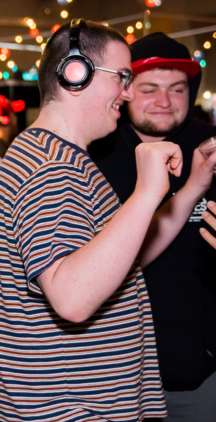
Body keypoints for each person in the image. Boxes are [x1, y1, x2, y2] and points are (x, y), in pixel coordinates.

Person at [0, 19, 216, 420]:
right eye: (123, 77)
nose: (127, 91)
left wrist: (187, 188)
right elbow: (71, 298)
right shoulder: (50, 168)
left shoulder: (61, 157)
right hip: (72, 410)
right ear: (76, 74)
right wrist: (145, 193)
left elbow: (118, 262)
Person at [88, 32, 216, 421]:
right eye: (150, 89)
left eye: (177, 89)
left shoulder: (209, 149)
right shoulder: (95, 156)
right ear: (125, 91)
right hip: (115, 379)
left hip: (201, 373)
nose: (164, 101)